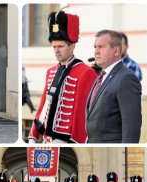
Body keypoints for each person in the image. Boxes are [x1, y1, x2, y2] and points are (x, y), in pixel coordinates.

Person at [28, 11, 96, 144]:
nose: (56, 51)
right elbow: (44, 104)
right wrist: (33, 135)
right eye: (54, 47)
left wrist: (73, 141)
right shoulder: (51, 71)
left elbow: (82, 112)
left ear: (72, 46)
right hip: (47, 139)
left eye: (60, 46)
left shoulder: (86, 72)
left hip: (66, 139)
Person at [85, 30, 142, 143]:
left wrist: (125, 156)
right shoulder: (101, 76)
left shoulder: (126, 78)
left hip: (112, 152)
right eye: (95, 47)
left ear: (116, 50)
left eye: (101, 47)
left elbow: (131, 125)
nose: (96, 52)